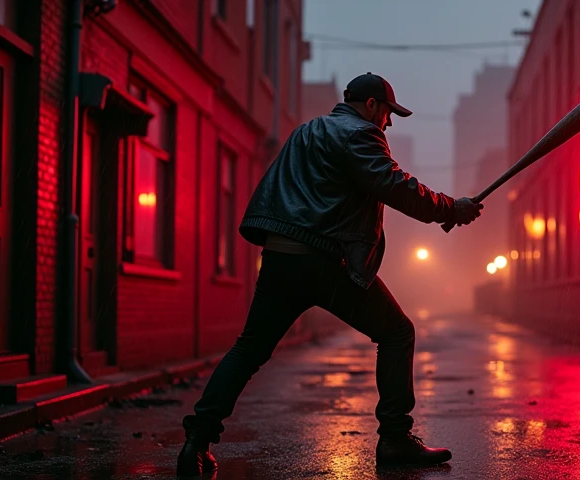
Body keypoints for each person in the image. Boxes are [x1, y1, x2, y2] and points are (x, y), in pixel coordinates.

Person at [176, 73, 483, 477]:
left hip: (281, 258)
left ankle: (196, 443)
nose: (388, 124)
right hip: (324, 261)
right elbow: (393, 185)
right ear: (372, 105)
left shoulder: (306, 132)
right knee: (396, 333)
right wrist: (449, 209)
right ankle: (394, 439)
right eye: (388, 114)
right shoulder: (359, 134)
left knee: (248, 350)